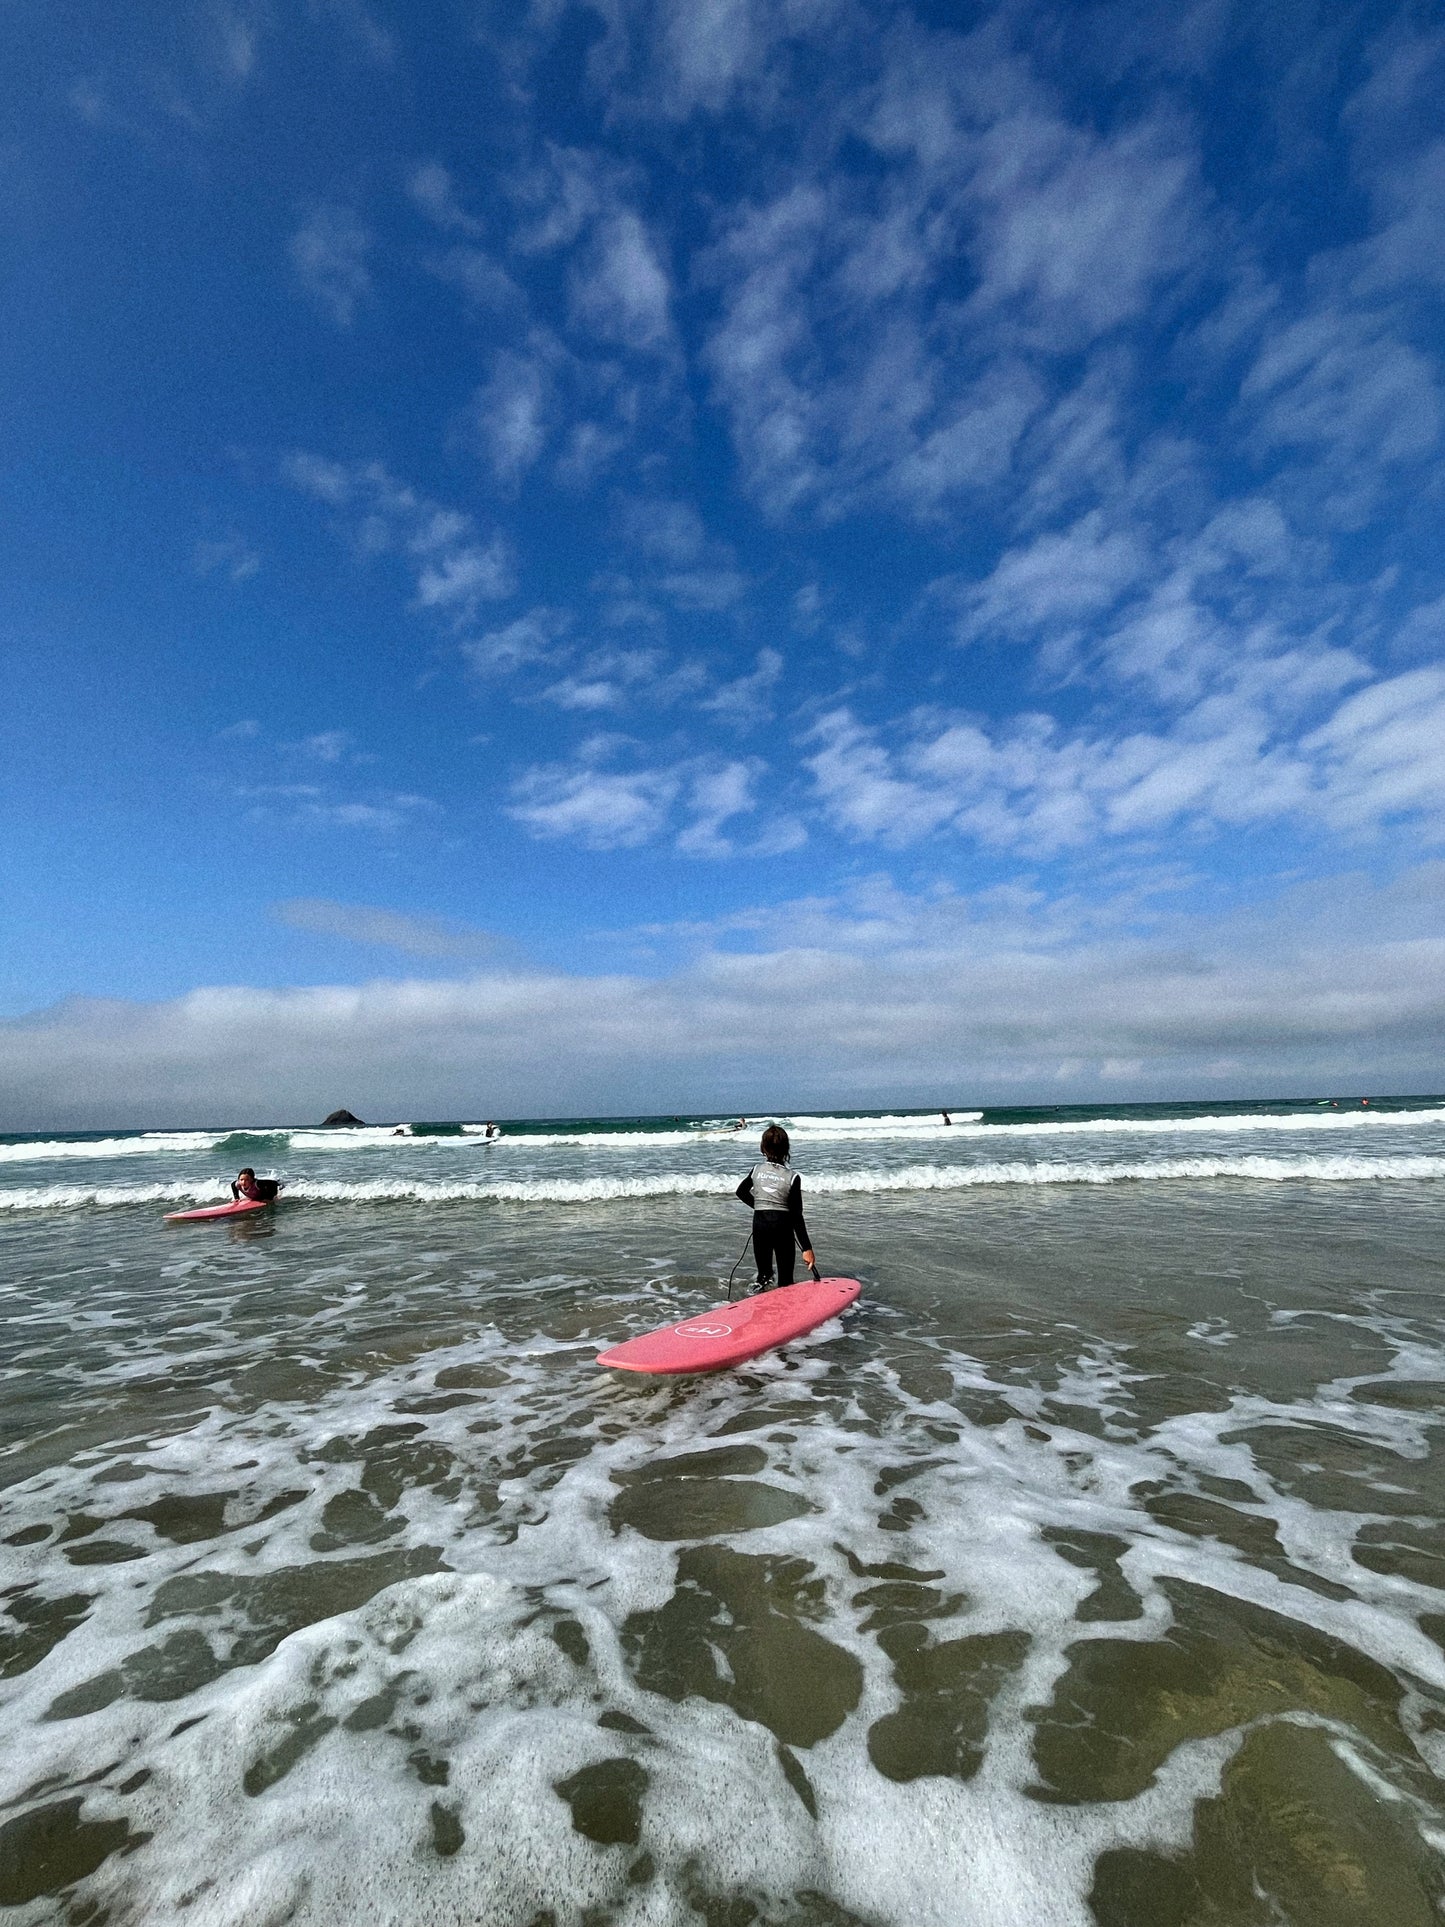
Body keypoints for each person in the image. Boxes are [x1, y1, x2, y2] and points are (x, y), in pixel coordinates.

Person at [736, 1124, 815, 1289]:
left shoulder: (756, 1170)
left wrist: (761, 1206)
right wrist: (806, 1248)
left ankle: (759, 1303)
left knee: (763, 1276)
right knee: (785, 1280)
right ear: (786, 1149)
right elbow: (796, 1216)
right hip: (782, 1228)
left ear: (763, 1147)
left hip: (760, 1226)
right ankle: (786, 1311)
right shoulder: (792, 1177)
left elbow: (741, 1192)